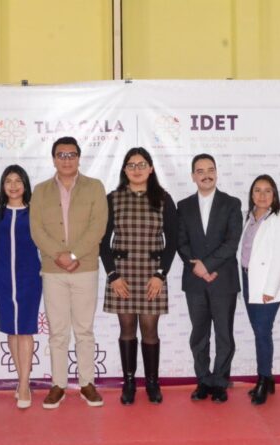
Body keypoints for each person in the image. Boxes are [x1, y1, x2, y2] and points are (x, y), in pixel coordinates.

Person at [29, 136, 108, 409]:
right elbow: (37, 230)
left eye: (71, 154)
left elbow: (98, 226)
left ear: (79, 158)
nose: (66, 160)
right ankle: (58, 385)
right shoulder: (40, 191)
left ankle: (87, 383)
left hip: (85, 268)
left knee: (84, 330)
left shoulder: (95, 187)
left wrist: (74, 255)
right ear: (53, 159)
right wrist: (59, 255)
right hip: (53, 271)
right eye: (61, 155)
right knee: (58, 331)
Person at [100, 147, 178, 405]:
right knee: (127, 330)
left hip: (152, 275)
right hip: (121, 275)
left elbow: (173, 241)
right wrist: (112, 275)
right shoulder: (113, 199)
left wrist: (160, 274)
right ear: (124, 169)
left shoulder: (163, 199)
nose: (136, 169)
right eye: (131, 165)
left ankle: (152, 383)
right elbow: (103, 242)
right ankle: (129, 382)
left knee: (150, 330)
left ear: (151, 168)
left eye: (142, 164)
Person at [176, 153, 243, 403]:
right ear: (193, 176)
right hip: (195, 282)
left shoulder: (232, 203)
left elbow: (232, 242)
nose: (206, 175)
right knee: (199, 335)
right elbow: (181, 242)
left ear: (216, 172)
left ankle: (220, 382)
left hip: (223, 280)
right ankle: (203, 380)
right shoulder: (183, 206)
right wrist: (199, 268)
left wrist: (209, 266)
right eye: (200, 171)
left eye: (210, 169)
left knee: (224, 335)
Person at [0, 165, 42, 410]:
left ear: (25, 185)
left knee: (25, 330)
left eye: (18, 181)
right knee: (11, 330)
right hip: (2, 277)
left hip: (29, 277)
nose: (13, 185)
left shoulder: (35, 211)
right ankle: (22, 380)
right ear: (3, 185)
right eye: (8, 181)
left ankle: (24, 385)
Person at [239, 174, 280, 405]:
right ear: (251, 194)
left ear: (274, 194)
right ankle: (268, 378)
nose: (262, 195)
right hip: (248, 279)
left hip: (267, 285)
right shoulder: (247, 217)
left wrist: (270, 288)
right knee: (259, 331)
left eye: (267, 190)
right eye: (257, 190)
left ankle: (262, 380)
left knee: (262, 332)